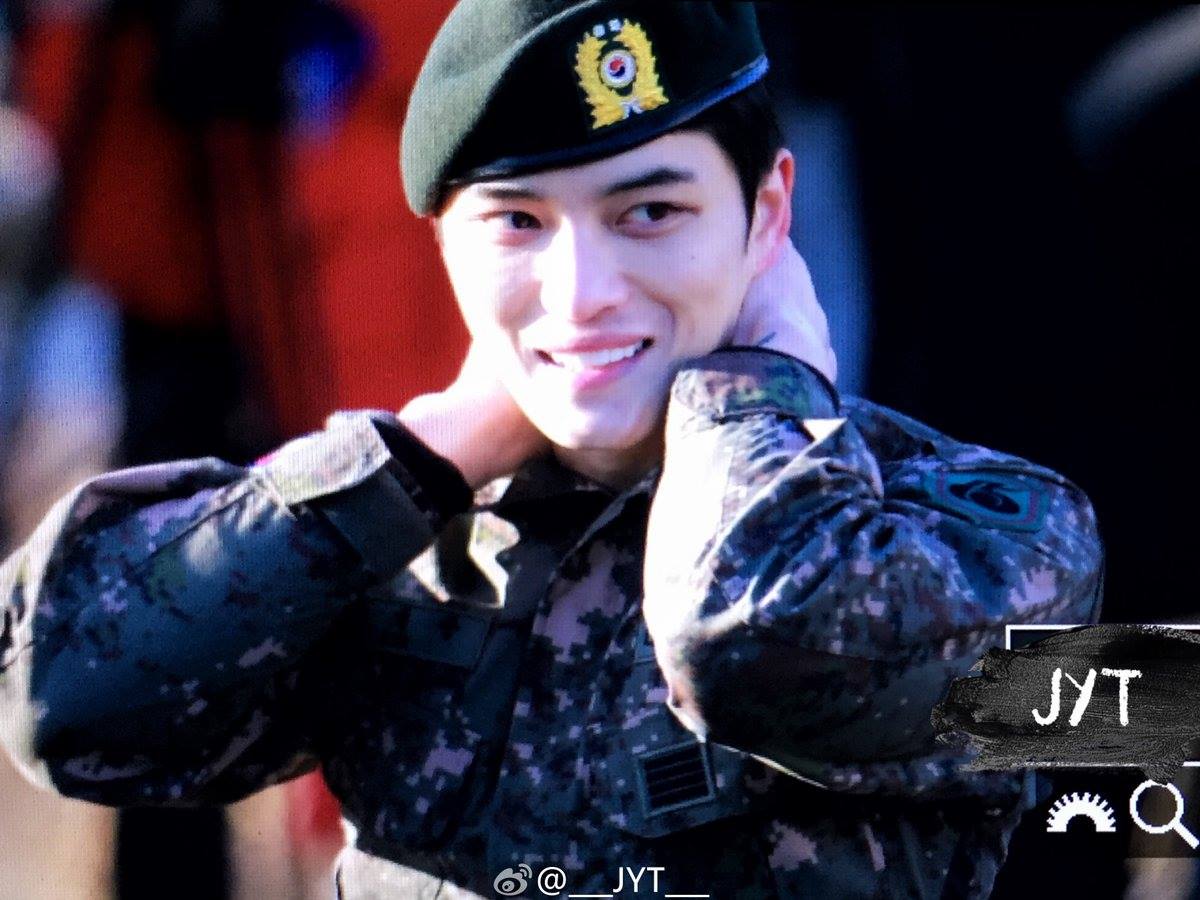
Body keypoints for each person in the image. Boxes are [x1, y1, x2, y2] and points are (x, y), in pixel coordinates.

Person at [0, 2, 1104, 897]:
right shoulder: (396, 547)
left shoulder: (988, 528)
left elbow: (753, 644)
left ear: (769, 214)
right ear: (444, 245)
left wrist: (760, 390)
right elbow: (62, 701)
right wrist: (435, 445)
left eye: (650, 212)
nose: (581, 293)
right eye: (517, 223)